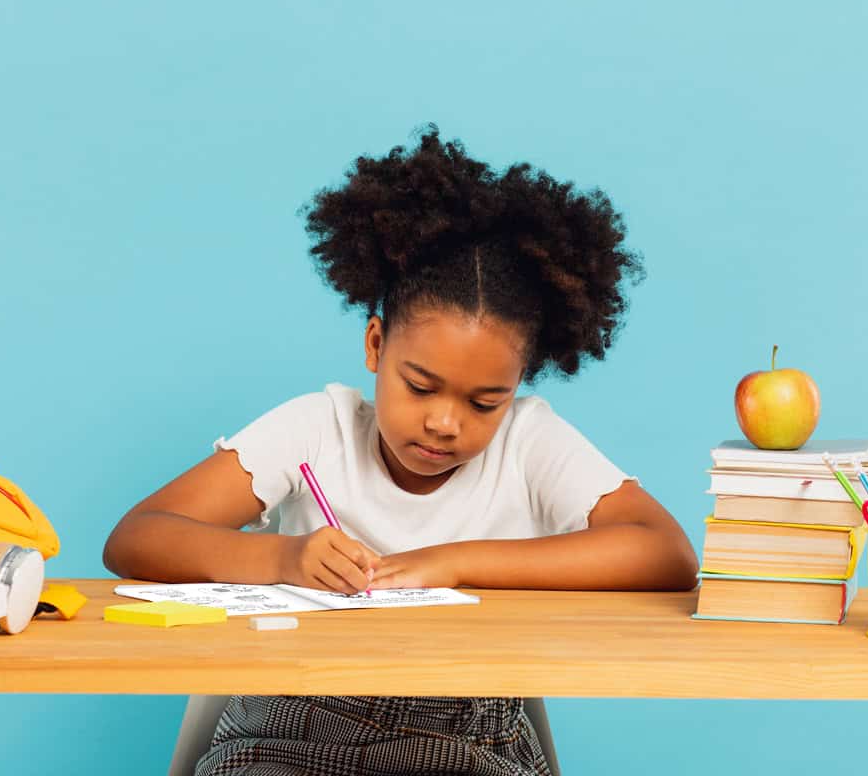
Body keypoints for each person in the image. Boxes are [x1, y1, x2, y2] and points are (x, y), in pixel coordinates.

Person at [102, 126, 698, 775]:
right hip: (297, 722)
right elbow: (137, 537)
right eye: (420, 386)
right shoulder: (315, 429)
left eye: (483, 403)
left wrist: (454, 562)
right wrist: (284, 556)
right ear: (375, 346)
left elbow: (665, 553)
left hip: (469, 738)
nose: (444, 423)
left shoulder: (530, 443)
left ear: (516, 389)